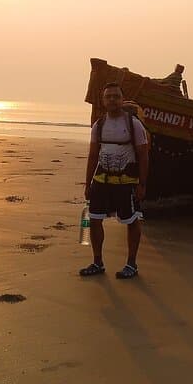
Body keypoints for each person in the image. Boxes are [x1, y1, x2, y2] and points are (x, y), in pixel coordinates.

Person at [80, 82, 149, 279]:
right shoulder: (99, 125)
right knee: (94, 220)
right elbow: (93, 155)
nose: (112, 100)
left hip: (126, 182)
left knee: (132, 221)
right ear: (103, 101)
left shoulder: (133, 124)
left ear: (122, 99)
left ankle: (131, 265)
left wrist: (142, 184)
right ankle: (97, 262)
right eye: (108, 96)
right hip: (101, 180)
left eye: (116, 96)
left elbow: (144, 155)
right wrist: (88, 184)